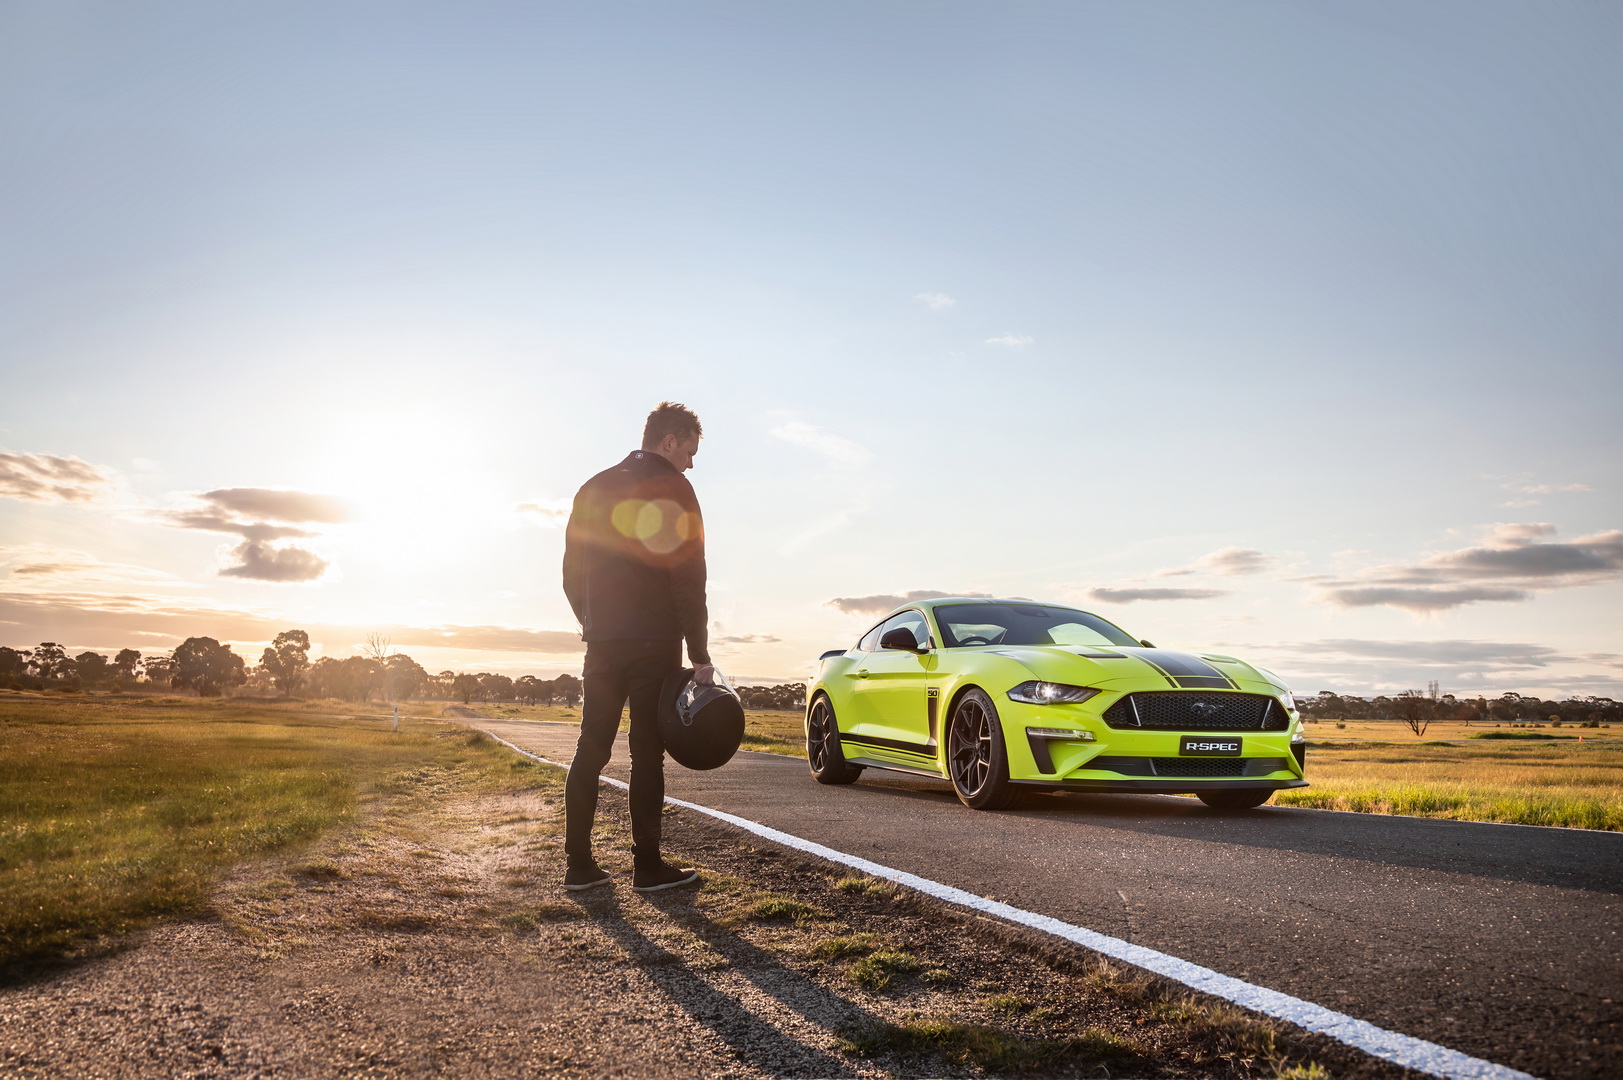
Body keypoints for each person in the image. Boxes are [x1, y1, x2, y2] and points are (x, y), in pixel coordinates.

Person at [560, 402, 714, 892]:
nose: (691, 462)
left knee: (592, 746)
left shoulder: (592, 487)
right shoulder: (676, 487)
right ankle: (647, 868)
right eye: (689, 450)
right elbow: (688, 576)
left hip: (602, 643)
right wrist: (700, 655)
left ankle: (579, 867)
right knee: (647, 754)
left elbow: (569, 574)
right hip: (655, 642)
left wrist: (595, 623)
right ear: (669, 442)